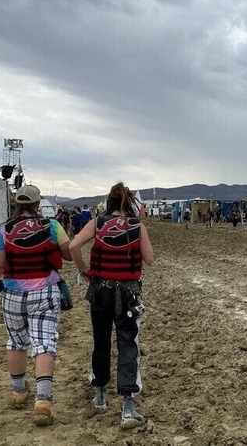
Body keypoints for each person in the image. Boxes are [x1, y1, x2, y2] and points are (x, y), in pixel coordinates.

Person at [0, 185, 71, 426]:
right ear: (38, 204)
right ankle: (43, 400)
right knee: (44, 342)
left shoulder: (3, 230)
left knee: (16, 341)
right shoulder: (52, 226)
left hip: (13, 294)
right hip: (45, 291)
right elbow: (68, 254)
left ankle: (18, 392)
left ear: (16, 204)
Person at [70, 182, 155, 430]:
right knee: (128, 344)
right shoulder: (137, 226)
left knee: (101, 340)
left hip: (100, 290)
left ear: (109, 202)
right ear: (128, 202)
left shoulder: (97, 224)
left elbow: (74, 245)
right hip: (128, 292)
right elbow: (149, 260)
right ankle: (128, 406)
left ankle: (100, 394)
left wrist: (83, 269)